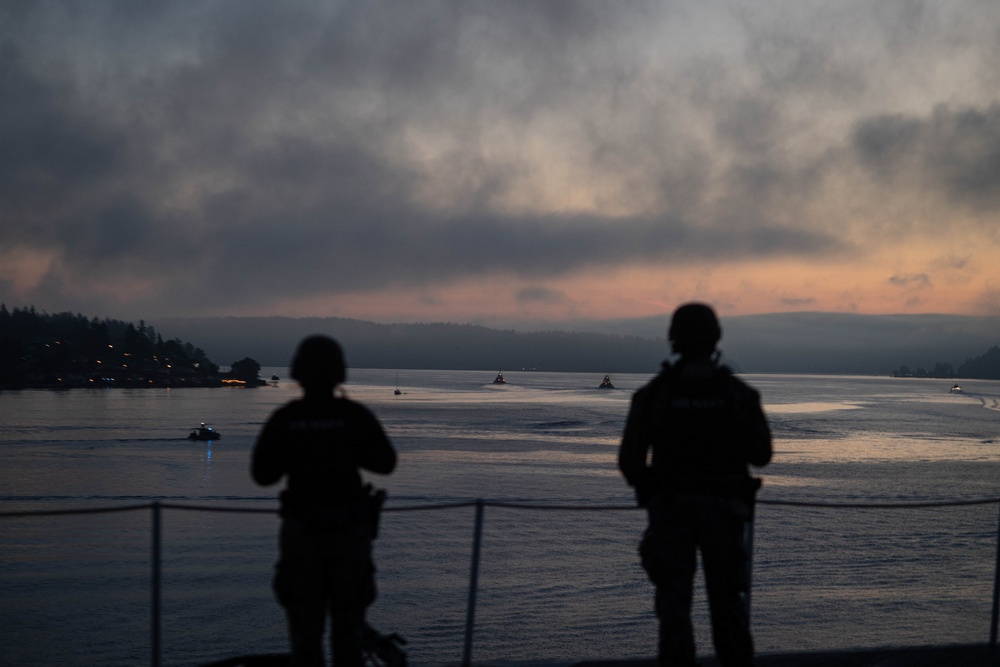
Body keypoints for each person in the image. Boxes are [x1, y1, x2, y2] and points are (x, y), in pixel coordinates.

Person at [618, 303, 772, 667]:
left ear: (674, 339)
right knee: (728, 608)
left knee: (674, 612)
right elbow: (762, 454)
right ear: (715, 338)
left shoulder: (654, 396)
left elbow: (630, 463)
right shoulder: (739, 396)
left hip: (671, 512)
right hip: (724, 514)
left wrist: (654, 488)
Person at [252, 335, 397, 667]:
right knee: (348, 635)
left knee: (305, 638)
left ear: (298, 372)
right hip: (348, 537)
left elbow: (263, 475)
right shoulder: (354, 416)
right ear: (340, 373)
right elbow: (385, 463)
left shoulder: (286, 419)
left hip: (302, 537)